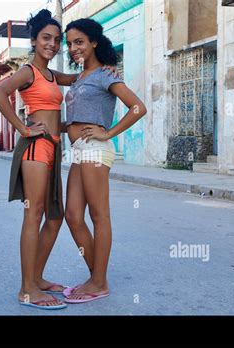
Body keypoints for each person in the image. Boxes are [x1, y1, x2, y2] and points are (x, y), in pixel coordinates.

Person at [0, 9, 88, 310]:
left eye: (57, 40)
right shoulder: (28, 71)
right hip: (35, 150)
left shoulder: (50, 75)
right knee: (34, 215)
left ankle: (37, 277)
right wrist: (22, 128)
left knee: (54, 217)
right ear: (34, 40)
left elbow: (78, 78)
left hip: (54, 146)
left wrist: (103, 67)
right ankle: (27, 289)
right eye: (46, 38)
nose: (53, 44)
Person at [62, 18, 147, 303]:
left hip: (96, 150)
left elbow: (138, 107)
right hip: (78, 151)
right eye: (70, 43)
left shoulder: (105, 75)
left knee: (99, 216)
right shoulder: (79, 78)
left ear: (94, 42)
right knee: (73, 216)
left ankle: (98, 282)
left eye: (80, 42)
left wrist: (107, 132)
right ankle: (96, 277)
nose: (74, 48)